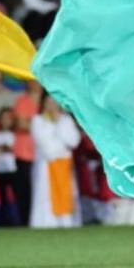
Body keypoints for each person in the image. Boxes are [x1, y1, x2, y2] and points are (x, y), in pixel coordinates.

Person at [29, 94, 82, 228]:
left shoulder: (65, 120)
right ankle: (47, 224)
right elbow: (43, 143)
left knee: (67, 194)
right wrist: (60, 148)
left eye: (54, 102)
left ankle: (66, 222)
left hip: (64, 165)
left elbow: (73, 141)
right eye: (48, 102)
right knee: (45, 196)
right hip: (46, 164)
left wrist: (58, 123)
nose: (51, 105)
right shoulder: (38, 120)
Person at [0, 109, 21, 225]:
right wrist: (5, 148)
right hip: (0, 170)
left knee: (17, 196)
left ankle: (19, 221)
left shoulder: (15, 134)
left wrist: (0, 148)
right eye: (4, 118)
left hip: (13, 169)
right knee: (2, 197)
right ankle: (4, 222)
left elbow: (14, 149)